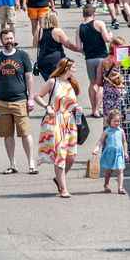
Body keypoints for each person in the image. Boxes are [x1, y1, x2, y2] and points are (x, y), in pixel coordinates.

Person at [0, 29, 37, 174]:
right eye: (6, 38)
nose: (9, 41)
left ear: (14, 39)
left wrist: (31, 98)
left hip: (20, 100)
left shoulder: (22, 55)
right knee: (7, 134)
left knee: (25, 133)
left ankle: (31, 163)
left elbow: (29, 77)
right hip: (1, 102)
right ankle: (12, 164)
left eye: (11, 38)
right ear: (1, 40)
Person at [35, 58, 82, 198]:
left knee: (71, 157)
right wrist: (46, 106)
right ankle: (63, 188)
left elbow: (72, 102)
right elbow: (37, 96)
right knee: (60, 155)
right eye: (73, 67)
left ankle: (59, 179)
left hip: (70, 121)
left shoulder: (71, 83)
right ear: (66, 68)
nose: (75, 70)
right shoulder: (53, 82)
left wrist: (77, 108)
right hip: (55, 120)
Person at [76, 5, 112, 117]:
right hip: (102, 57)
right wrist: (110, 35)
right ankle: (97, 110)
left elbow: (78, 47)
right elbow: (107, 39)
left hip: (89, 59)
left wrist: (85, 51)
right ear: (93, 14)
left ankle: (92, 109)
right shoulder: (99, 23)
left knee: (92, 83)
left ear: (83, 14)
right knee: (100, 84)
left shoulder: (79, 28)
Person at [36, 12, 81, 81]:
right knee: (62, 82)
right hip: (56, 62)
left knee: (50, 83)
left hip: (43, 62)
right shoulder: (57, 31)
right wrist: (80, 49)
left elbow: (35, 44)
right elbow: (68, 45)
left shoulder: (39, 31)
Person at [93, 110, 128, 194]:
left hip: (119, 153)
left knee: (120, 170)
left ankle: (120, 188)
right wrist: (97, 148)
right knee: (108, 171)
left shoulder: (121, 131)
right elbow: (100, 141)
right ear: (109, 121)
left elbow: (124, 142)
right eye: (115, 121)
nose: (117, 123)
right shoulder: (107, 131)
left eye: (118, 121)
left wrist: (125, 152)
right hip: (109, 154)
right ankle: (106, 185)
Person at [98, 37, 127, 118]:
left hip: (108, 92)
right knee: (122, 118)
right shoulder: (125, 60)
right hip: (122, 90)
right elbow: (129, 76)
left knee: (109, 118)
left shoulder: (103, 61)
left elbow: (98, 82)